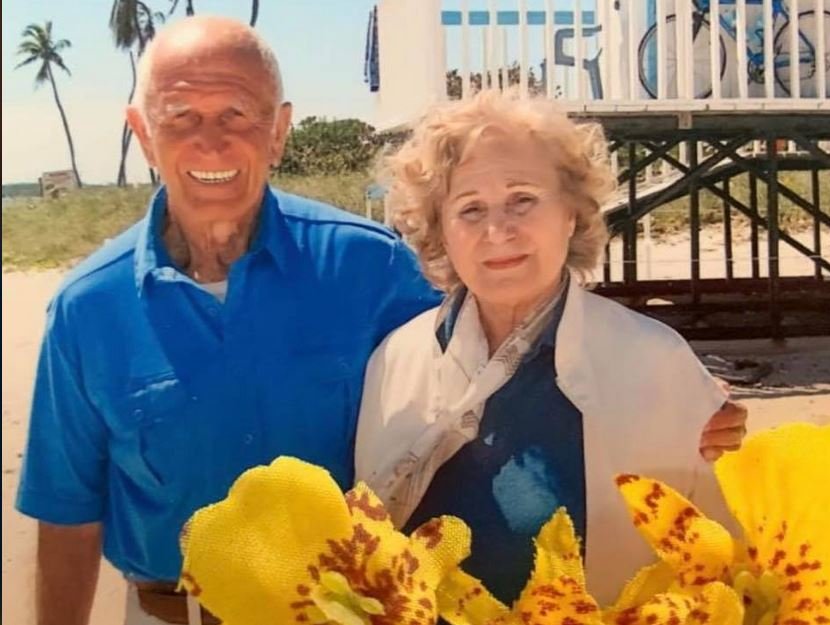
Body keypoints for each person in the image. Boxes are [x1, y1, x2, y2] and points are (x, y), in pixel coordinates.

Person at [13, 17, 440, 625]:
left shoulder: (374, 267)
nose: (210, 142)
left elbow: (451, 443)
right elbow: (67, 511)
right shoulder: (87, 306)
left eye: (237, 114)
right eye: (180, 116)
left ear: (278, 131)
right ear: (143, 134)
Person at [354, 91, 747, 605]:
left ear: (571, 214)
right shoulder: (395, 360)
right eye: (470, 209)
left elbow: (718, 565)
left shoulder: (656, 362)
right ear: (440, 232)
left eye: (523, 199)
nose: (499, 231)